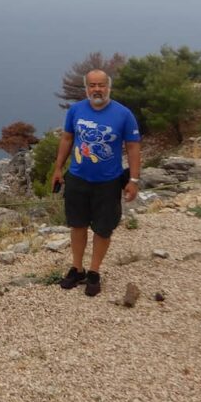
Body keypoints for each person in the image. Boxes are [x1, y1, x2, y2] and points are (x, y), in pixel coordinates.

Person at [50, 69, 141, 296]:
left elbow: (133, 147)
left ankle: (94, 271)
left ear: (108, 87)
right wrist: (58, 168)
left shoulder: (124, 114)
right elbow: (67, 138)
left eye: (101, 85)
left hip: (108, 182)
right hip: (78, 178)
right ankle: (77, 268)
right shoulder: (76, 110)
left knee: (103, 228)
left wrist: (134, 180)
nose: (97, 89)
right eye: (92, 85)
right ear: (86, 88)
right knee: (77, 225)